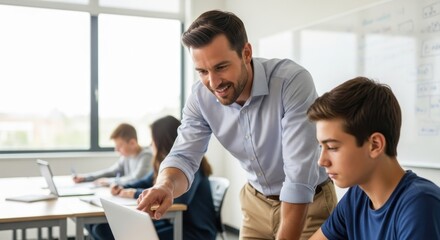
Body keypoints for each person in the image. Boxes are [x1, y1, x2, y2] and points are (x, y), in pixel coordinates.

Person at [137, 10, 337, 240]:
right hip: (255, 204)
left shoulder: (290, 82)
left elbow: (298, 177)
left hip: (310, 203)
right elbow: (183, 156)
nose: (213, 83)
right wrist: (166, 186)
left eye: (221, 67)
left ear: (246, 53)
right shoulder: (200, 97)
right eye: (202, 71)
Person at [307, 77, 440, 239]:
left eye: (333, 147)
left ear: (375, 145)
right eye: (321, 147)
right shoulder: (357, 197)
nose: (321, 161)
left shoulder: (420, 204)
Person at [86, 115, 217, 240]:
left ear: (162, 142)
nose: (150, 145)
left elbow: (178, 200)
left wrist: (133, 193)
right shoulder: (165, 165)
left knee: (110, 232)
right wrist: (122, 187)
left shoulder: (189, 168)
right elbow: (145, 181)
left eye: (152, 140)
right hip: (170, 222)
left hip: (193, 231)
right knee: (100, 228)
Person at [73, 123, 152, 186]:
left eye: (119, 146)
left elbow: (137, 178)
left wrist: (109, 181)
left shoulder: (146, 156)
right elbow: (111, 172)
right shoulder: (126, 157)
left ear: (132, 143)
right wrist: (86, 178)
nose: (116, 149)